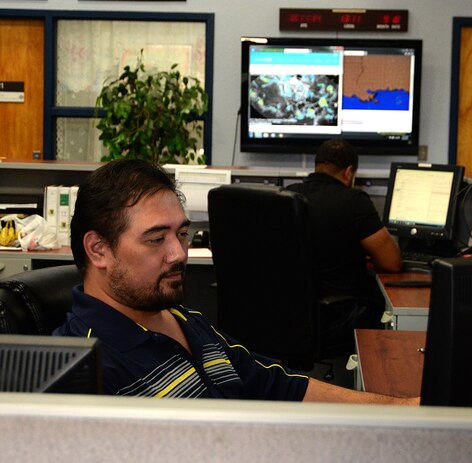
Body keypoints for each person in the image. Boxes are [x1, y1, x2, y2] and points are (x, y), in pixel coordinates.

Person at [53, 158, 416, 405]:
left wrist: (401, 409)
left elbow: (278, 384)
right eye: (155, 239)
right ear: (98, 250)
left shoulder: (182, 320)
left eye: (181, 233)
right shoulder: (81, 370)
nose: (178, 254)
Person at [285, 139, 402, 313]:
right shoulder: (355, 201)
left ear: (316, 167)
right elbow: (391, 263)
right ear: (348, 172)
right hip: (342, 312)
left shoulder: (288, 196)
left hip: (294, 310)